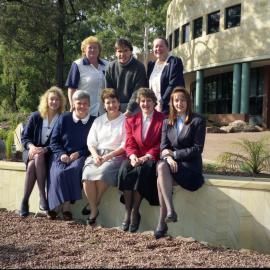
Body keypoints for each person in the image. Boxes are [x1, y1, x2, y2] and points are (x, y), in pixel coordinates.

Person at [154, 87, 206, 239]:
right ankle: (170, 212)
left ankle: (163, 222)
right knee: (162, 165)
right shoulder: (167, 122)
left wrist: (174, 154)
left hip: (190, 170)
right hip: (172, 166)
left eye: (183, 100)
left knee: (160, 178)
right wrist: (169, 158)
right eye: (176, 100)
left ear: (188, 102)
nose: (179, 103)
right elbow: (163, 147)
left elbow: (197, 149)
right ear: (172, 103)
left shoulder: (198, 120)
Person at [118, 88, 164, 233]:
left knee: (142, 171)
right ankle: (127, 211)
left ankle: (135, 211)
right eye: (142, 101)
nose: (145, 104)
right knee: (125, 169)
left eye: (149, 100)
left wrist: (146, 157)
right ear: (138, 102)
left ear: (154, 102)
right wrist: (132, 156)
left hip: (151, 157)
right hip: (135, 155)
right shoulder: (131, 120)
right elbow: (130, 142)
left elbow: (162, 143)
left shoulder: (162, 119)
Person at [47, 90, 95, 220]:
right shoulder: (64, 118)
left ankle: (66, 205)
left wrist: (79, 153)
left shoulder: (93, 121)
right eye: (79, 103)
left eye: (85, 103)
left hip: (81, 155)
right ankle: (57, 204)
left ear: (89, 105)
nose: (82, 106)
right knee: (57, 172)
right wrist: (62, 154)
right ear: (73, 104)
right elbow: (54, 141)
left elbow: (94, 146)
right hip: (61, 154)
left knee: (73, 170)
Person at [19, 86, 66, 217]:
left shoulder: (62, 119)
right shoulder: (36, 116)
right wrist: (32, 147)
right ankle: (42, 196)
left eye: (57, 100)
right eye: (51, 99)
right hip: (30, 150)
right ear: (46, 100)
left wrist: (45, 149)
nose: (54, 102)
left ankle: (25, 201)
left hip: (50, 153)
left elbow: (61, 142)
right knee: (34, 160)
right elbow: (25, 137)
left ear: (60, 102)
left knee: (33, 164)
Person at [82, 88, 126, 225]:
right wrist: (95, 156)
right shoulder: (98, 121)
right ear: (104, 105)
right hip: (97, 154)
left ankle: (94, 202)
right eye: (108, 102)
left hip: (116, 155)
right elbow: (90, 142)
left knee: (103, 172)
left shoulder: (126, 120)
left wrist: (107, 157)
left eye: (114, 101)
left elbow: (125, 144)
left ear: (119, 102)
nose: (111, 105)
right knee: (87, 176)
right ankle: (94, 208)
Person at [66, 36, 108, 116]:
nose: (93, 50)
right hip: (84, 110)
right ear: (84, 50)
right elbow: (71, 88)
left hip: (103, 111)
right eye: (90, 47)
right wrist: (72, 104)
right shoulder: (77, 65)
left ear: (99, 50)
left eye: (95, 47)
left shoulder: (107, 65)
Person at [105, 38, 147, 115]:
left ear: (131, 51)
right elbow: (109, 91)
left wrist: (130, 109)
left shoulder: (139, 67)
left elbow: (138, 91)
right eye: (119, 51)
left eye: (125, 50)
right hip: (115, 106)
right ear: (116, 53)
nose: (122, 54)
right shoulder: (110, 67)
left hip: (134, 107)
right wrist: (113, 107)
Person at [147, 37, 185, 114]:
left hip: (169, 107)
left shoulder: (174, 62)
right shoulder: (151, 65)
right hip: (153, 107)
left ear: (167, 48)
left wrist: (161, 102)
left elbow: (173, 84)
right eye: (156, 46)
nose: (158, 48)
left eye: (161, 46)